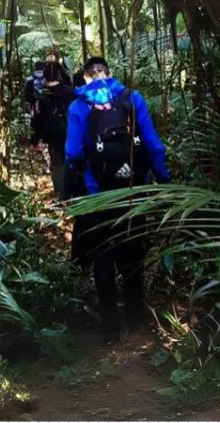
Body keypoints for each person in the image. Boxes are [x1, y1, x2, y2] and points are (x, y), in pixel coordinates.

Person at [63, 56, 170, 340]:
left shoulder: (78, 106)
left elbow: (73, 154)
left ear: (86, 77)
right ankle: (135, 317)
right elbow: (154, 147)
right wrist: (164, 182)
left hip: (98, 196)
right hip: (135, 192)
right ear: (109, 74)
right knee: (134, 251)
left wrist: (78, 177)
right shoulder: (132, 98)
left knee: (102, 257)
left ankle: (110, 326)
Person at [30, 61, 74, 198]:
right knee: (71, 161)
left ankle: (61, 195)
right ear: (58, 75)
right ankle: (72, 193)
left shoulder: (41, 95)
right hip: (70, 132)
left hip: (52, 135)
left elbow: (37, 119)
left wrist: (35, 139)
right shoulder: (69, 92)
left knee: (56, 164)